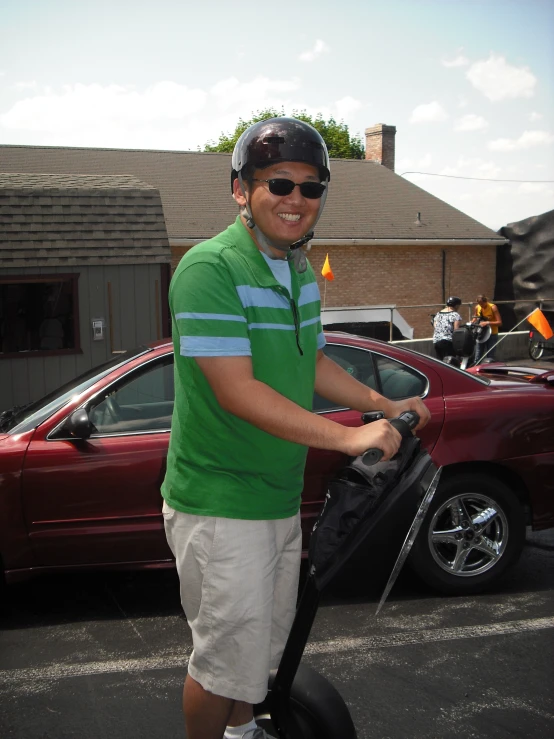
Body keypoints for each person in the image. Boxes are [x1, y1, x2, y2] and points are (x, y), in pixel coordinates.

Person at [161, 117, 431, 739]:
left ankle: (241, 733)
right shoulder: (210, 269)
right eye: (279, 182)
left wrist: (379, 405)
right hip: (221, 502)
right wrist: (347, 437)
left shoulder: (299, 272)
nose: (296, 199)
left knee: (257, 656)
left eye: (312, 188)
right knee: (221, 664)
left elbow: (310, 362)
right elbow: (237, 390)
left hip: (275, 495)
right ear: (241, 190)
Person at [473, 294, 502, 362]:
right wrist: (471, 323)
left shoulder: (493, 307)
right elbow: (475, 318)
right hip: (481, 333)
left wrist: (487, 323)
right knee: (478, 354)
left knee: (490, 354)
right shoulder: (477, 307)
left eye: (483, 304)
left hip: (492, 333)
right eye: (480, 305)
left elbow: (499, 322)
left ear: (486, 302)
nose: (481, 306)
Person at [432, 296, 463, 360]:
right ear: (456, 305)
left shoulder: (438, 314)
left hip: (436, 341)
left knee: (440, 362)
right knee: (450, 363)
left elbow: (435, 325)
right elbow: (456, 330)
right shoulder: (455, 315)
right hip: (448, 341)